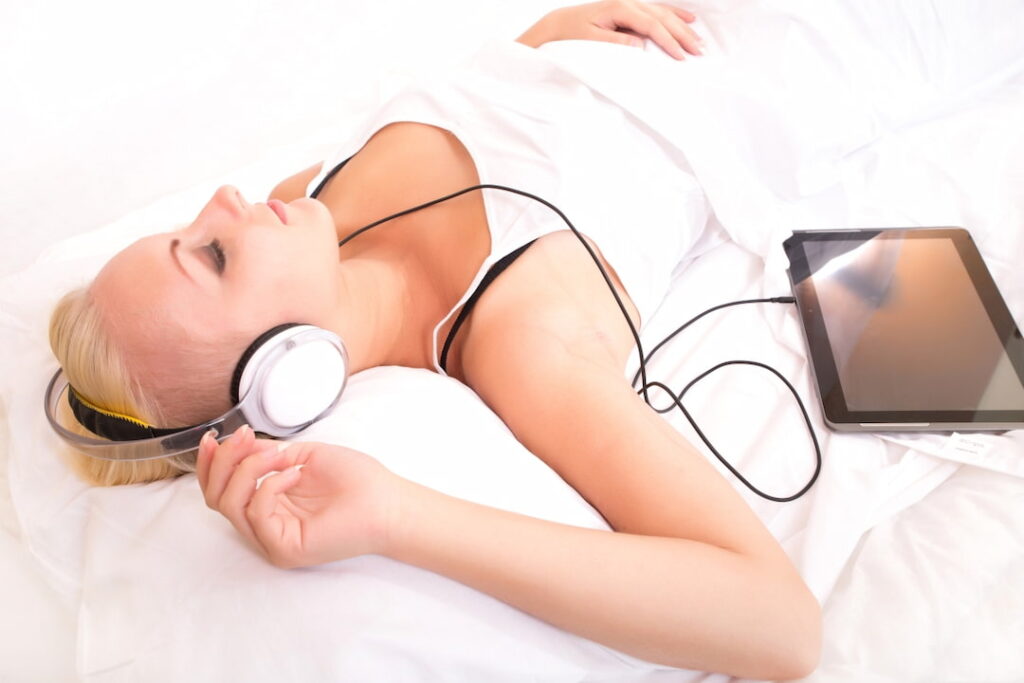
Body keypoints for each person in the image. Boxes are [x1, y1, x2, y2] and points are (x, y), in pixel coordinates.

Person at [47, 1, 821, 678]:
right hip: (789, 44)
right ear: (287, 374)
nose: (221, 200)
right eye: (211, 255)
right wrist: (396, 515)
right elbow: (781, 626)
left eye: (185, 231)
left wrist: (541, 43)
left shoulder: (303, 206)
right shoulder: (522, 336)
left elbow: (495, 113)